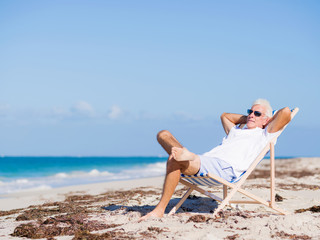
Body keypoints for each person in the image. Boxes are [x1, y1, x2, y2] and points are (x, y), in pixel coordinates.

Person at [139, 99, 291, 221]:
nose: (251, 115)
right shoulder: (236, 131)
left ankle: (160, 210)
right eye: (249, 111)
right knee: (163, 134)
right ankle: (187, 156)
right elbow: (224, 116)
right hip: (206, 161)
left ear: (267, 120)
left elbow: (285, 113)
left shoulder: (265, 134)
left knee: (174, 160)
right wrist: (250, 118)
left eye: (257, 113)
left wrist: (267, 121)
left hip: (224, 168)